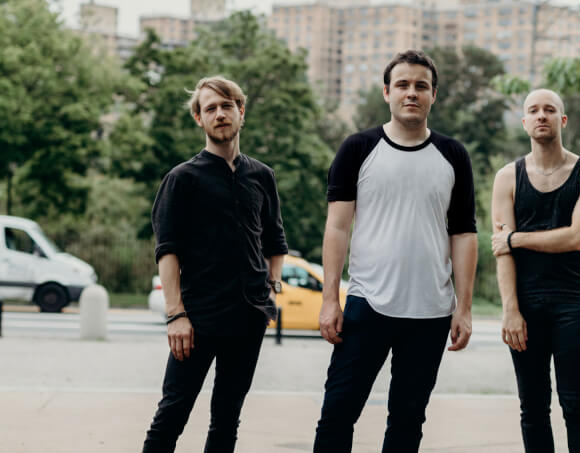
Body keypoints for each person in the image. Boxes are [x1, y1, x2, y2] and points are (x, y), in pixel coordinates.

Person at [313, 50, 478, 453]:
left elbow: (463, 234)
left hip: (431, 312)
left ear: (433, 95)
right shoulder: (358, 148)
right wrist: (330, 299)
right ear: (387, 92)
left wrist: (464, 307)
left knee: (408, 420)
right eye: (402, 84)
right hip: (367, 303)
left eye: (421, 86)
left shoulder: (453, 155)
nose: (411, 93)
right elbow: (337, 227)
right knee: (337, 413)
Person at [142, 76, 288, 453]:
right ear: (199, 118)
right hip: (197, 319)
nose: (220, 114)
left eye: (227, 106)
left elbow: (275, 242)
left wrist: (271, 292)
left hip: (248, 317)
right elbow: (167, 250)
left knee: (226, 419)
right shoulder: (182, 179)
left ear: (241, 111)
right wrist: (176, 315)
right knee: (171, 415)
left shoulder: (262, 176)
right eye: (210, 108)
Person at [490, 89, 580, 453]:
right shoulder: (507, 177)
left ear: (562, 120)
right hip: (525, 305)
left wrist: (516, 239)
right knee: (533, 407)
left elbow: (576, 237)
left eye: (550, 110)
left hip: (572, 303)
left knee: (577, 406)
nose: (542, 115)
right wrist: (510, 310)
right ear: (524, 122)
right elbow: (501, 253)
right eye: (534, 110)